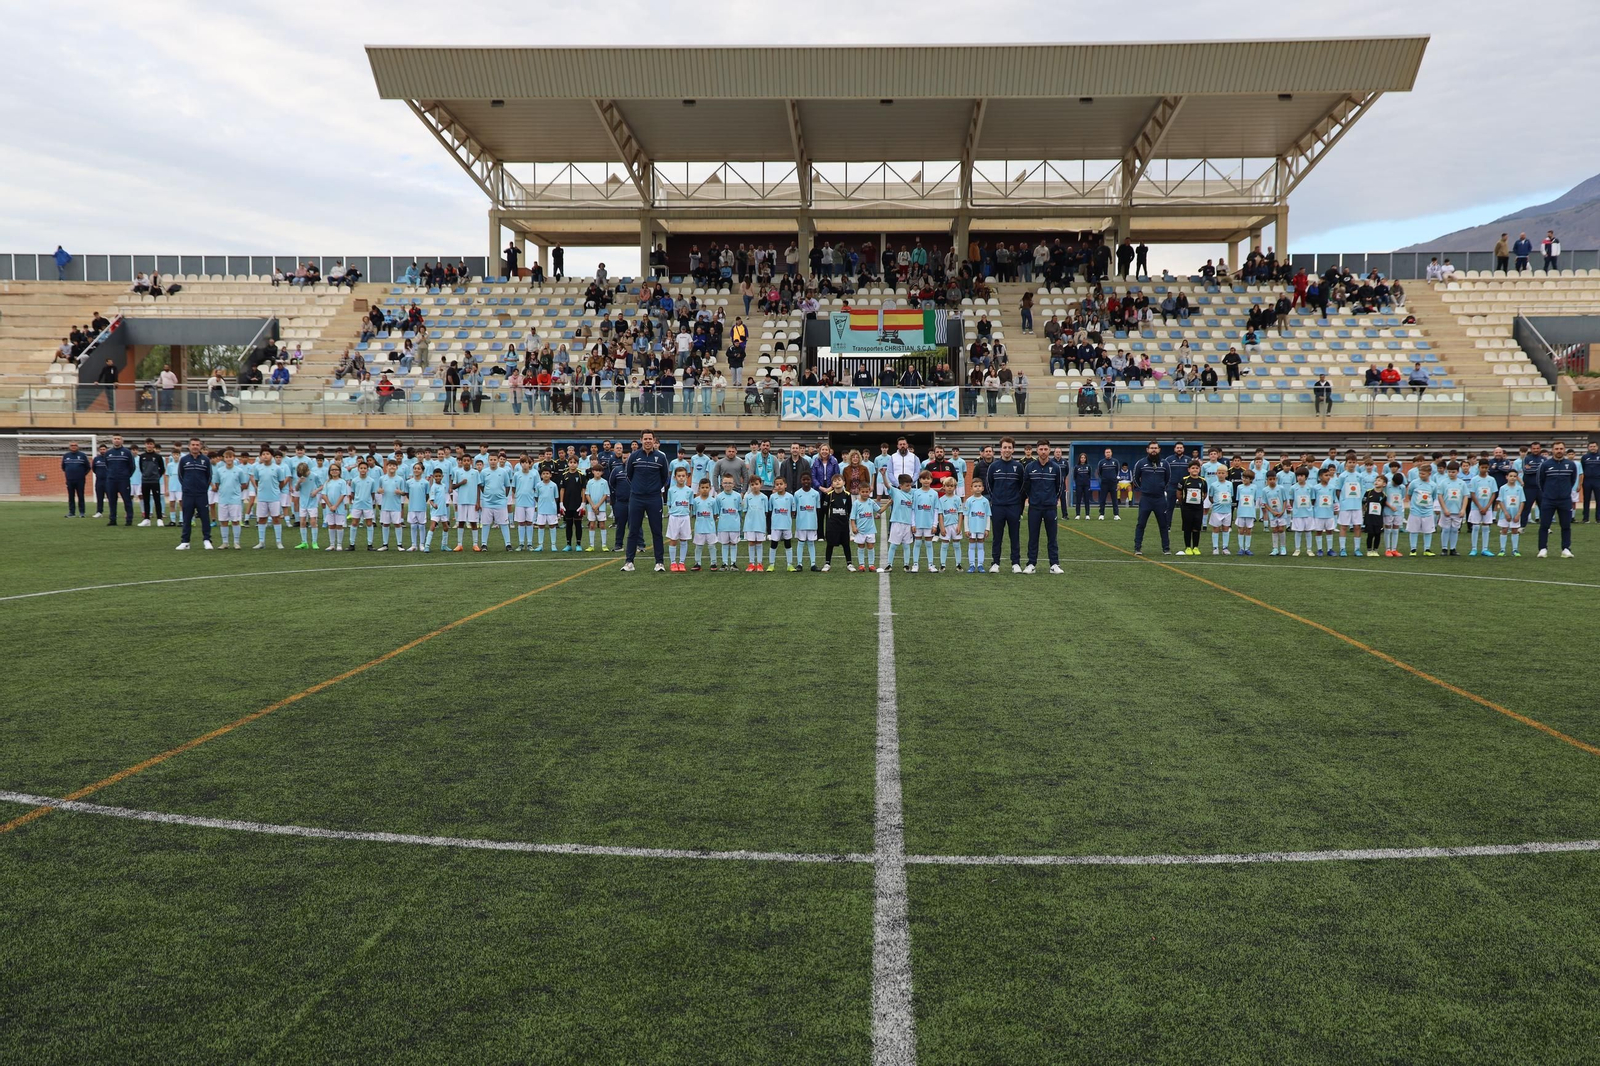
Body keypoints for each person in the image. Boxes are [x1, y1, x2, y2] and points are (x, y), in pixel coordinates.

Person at [622, 431, 669, 572]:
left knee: (656, 531)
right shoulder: (634, 457)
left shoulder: (661, 457)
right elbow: (629, 476)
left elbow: (665, 478)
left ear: (654, 440)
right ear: (641, 440)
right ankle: (629, 562)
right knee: (633, 530)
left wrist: (654, 489)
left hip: (654, 498)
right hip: (636, 497)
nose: (648, 441)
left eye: (650, 438)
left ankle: (659, 563)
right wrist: (638, 488)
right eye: (645, 438)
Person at [1020, 440, 1064, 573]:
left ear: (1049, 450)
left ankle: (1054, 564)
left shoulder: (1056, 467)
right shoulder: (1030, 467)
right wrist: (1032, 499)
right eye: (1041, 449)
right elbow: (1026, 486)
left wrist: (1053, 499)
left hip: (1050, 507)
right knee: (1033, 537)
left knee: (1052, 537)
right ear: (1037, 450)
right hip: (1034, 507)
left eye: (1045, 449)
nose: (1043, 451)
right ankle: (1031, 564)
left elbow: (1059, 487)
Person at [983, 437, 1025, 572]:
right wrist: (995, 499)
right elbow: (989, 485)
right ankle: (995, 563)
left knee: (1015, 536)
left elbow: (1022, 486)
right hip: (998, 507)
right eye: (1004, 447)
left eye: (1009, 447)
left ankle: (1016, 563)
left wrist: (1015, 499)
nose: (1007, 450)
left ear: (1013, 449)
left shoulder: (1018, 467)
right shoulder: (993, 467)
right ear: (1000, 449)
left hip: (1013, 506)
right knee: (997, 536)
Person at [1535, 441, 1578, 558]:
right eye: (1557, 449)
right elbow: (1540, 482)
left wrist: (1565, 491)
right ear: (1552, 450)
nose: (1559, 451)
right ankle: (1543, 549)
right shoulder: (1545, 465)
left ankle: (1565, 549)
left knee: (1566, 526)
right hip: (1548, 500)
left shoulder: (1571, 465)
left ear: (1564, 450)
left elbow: (1572, 480)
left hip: (1565, 500)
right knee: (1544, 525)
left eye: (1561, 448)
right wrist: (1548, 493)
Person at [1131, 441, 1172, 556]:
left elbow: (1168, 479)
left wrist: (1160, 489)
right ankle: (1137, 548)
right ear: (1147, 450)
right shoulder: (1141, 463)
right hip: (1146, 499)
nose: (1153, 450)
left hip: (1160, 499)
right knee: (1141, 524)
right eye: (1151, 448)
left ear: (1159, 450)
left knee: (1163, 524)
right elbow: (1135, 479)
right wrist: (1144, 489)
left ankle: (1166, 548)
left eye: (1155, 448)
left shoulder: (1165, 464)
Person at [102, 434, 136, 527]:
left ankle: (129, 520)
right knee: (112, 500)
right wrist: (110, 475)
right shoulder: (108, 453)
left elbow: (132, 466)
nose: (116, 440)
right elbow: (106, 466)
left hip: (123, 480)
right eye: (115, 439)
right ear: (112, 441)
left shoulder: (127, 452)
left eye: (118, 439)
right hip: (111, 480)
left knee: (127, 500)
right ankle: (112, 520)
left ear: (122, 441)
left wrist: (126, 476)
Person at [849, 485, 879, 572]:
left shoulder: (871, 502)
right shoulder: (856, 503)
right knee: (861, 546)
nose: (865, 493)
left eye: (867, 492)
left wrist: (889, 503)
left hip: (870, 530)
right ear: (859, 492)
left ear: (869, 492)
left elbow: (879, 510)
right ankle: (861, 565)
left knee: (870, 546)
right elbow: (852, 517)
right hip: (860, 530)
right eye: (863, 492)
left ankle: (871, 565)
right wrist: (854, 527)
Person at [1495, 470, 1525, 557]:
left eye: (1515, 476)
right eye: (1511, 476)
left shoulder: (1519, 489)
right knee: (1504, 529)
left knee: (1514, 530)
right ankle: (1502, 549)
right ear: (1507, 477)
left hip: (1515, 514)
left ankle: (1515, 549)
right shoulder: (1503, 488)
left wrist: (1519, 514)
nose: (1512, 478)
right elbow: (1500, 501)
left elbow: (1522, 501)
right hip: (1505, 514)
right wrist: (1505, 513)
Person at [60, 441, 90, 518]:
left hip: (80, 480)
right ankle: (71, 512)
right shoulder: (66, 456)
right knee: (71, 496)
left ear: (78, 446)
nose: (73, 447)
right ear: (69, 447)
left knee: (81, 496)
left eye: (75, 445)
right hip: (70, 480)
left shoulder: (82, 455)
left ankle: (82, 512)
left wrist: (82, 474)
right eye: (72, 445)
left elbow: (88, 467)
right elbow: (63, 467)